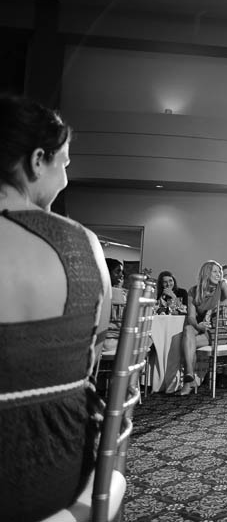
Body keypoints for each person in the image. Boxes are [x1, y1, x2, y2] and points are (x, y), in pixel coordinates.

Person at [0, 94, 112, 519]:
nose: (66, 175)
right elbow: (92, 352)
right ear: (36, 161)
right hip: (54, 466)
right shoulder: (81, 245)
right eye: (63, 163)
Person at [178, 260, 227, 395]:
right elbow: (191, 316)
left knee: (186, 345)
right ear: (206, 273)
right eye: (215, 271)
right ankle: (190, 375)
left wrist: (212, 310)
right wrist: (198, 325)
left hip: (219, 330)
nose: (219, 274)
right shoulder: (193, 291)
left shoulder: (222, 284)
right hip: (203, 328)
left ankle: (188, 382)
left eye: (219, 271)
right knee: (187, 330)